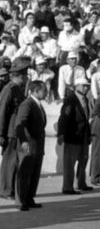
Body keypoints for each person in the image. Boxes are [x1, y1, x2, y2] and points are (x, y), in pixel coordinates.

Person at [14, 80, 47, 211]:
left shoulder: (38, 104)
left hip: (38, 145)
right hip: (28, 145)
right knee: (24, 174)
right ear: (36, 91)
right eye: (44, 90)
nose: (46, 92)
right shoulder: (27, 104)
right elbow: (20, 124)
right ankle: (21, 201)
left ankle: (29, 198)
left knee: (34, 174)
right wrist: (23, 140)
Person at [57, 78, 94, 194]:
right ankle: (67, 187)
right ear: (77, 86)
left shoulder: (86, 99)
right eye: (83, 86)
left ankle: (81, 183)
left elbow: (86, 119)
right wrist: (61, 134)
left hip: (83, 136)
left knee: (83, 161)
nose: (86, 88)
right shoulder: (70, 100)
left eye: (87, 86)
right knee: (70, 164)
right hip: (73, 136)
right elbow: (64, 117)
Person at [0, 58, 29, 200]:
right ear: (20, 75)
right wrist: (0, 133)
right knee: (9, 161)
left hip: (16, 130)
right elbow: (2, 111)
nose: (27, 77)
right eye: (25, 75)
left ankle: (9, 189)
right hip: (10, 130)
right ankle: (5, 190)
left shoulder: (18, 89)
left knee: (14, 161)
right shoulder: (9, 89)